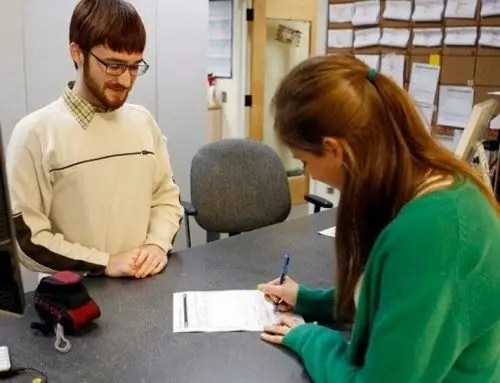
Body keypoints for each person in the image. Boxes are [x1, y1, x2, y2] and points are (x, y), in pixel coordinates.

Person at [258, 54, 500, 382]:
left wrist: (311, 338)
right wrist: (309, 301)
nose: (307, 172)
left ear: (334, 149)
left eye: (304, 160)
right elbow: (392, 296)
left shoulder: (430, 232)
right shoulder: (428, 187)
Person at [6, 0, 183, 279]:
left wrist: (156, 244)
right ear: (77, 53)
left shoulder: (143, 122)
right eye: (113, 65)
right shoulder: (35, 135)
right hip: (74, 299)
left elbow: (166, 196)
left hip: (145, 286)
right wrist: (105, 262)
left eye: (135, 66)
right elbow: (27, 239)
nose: (125, 80)